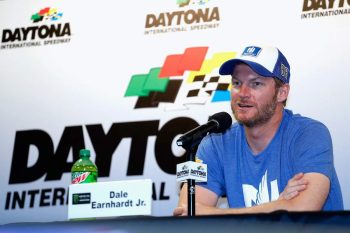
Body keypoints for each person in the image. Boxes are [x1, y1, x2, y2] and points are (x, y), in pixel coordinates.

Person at [174, 45, 343, 216]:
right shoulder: (216, 144)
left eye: (256, 84)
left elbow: (303, 209)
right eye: (237, 83)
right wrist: (279, 205)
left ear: (282, 93)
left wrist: (212, 213)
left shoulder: (309, 135)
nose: (243, 93)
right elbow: (186, 211)